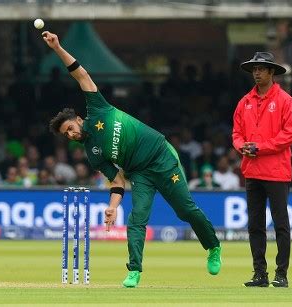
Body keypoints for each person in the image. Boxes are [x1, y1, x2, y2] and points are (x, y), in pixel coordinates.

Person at [42, 31, 221, 288]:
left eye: (70, 127)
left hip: (161, 156)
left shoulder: (97, 109)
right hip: (139, 173)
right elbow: (117, 180)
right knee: (137, 220)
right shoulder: (92, 153)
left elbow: (80, 74)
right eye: (66, 134)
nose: (71, 134)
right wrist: (113, 206)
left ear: (78, 119)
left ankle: (213, 247)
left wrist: (58, 48)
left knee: (184, 210)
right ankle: (134, 271)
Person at [232, 52, 292, 288]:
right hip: (252, 171)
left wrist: (260, 147)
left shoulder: (285, 101)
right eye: (254, 69)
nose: (257, 73)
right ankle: (260, 273)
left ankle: (281, 274)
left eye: (261, 68)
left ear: (272, 72)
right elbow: (237, 134)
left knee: (281, 224)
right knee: (255, 225)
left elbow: (291, 134)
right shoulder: (245, 102)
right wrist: (243, 147)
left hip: (277, 172)